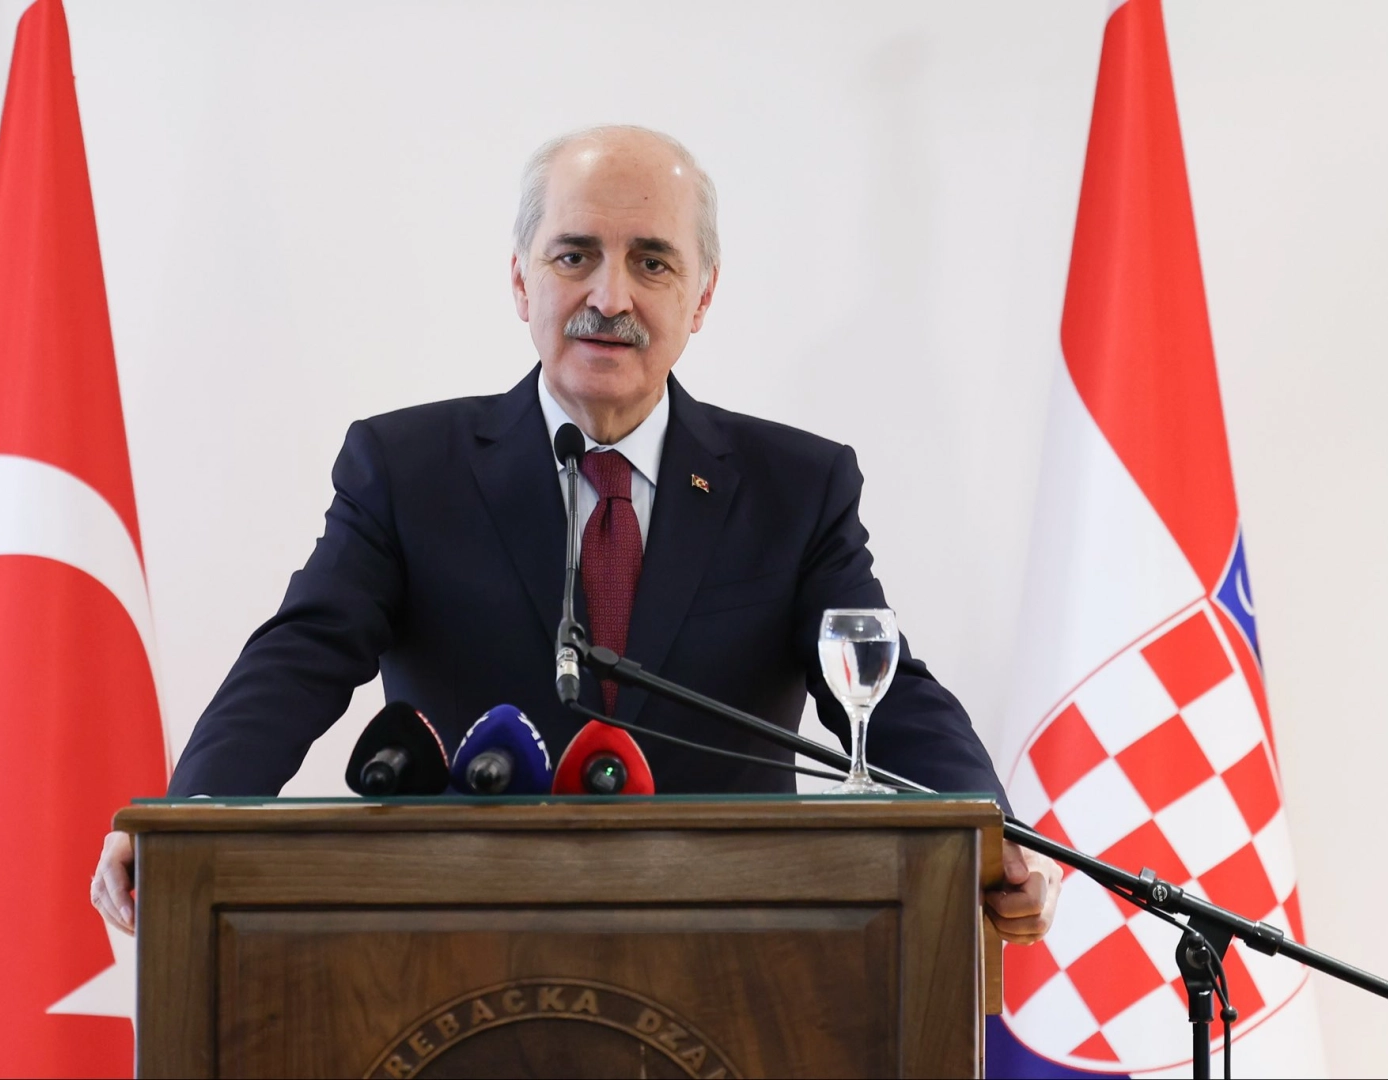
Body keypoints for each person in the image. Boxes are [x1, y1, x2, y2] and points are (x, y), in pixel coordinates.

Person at [91, 125, 1061, 944]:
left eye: (652, 262)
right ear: (521, 281)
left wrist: (998, 836)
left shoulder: (797, 486)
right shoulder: (408, 467)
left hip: (737, 945)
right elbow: (301, 656)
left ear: (701, 297)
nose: (610, 297)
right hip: (459, 939)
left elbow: (880, 688)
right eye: (574, 255)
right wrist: (187, 817)